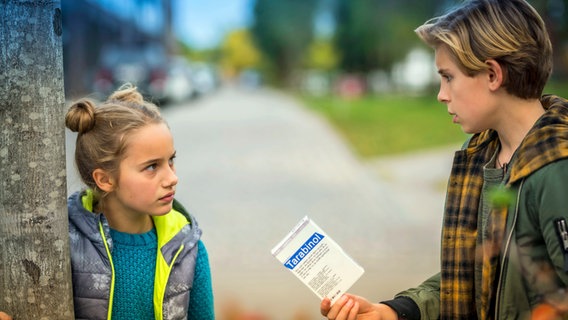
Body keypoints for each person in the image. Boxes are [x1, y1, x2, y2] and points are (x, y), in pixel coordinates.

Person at [321, 0, 568, 319]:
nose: (441, 94)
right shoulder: (484, 155)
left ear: (493, 74)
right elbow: (471, 281)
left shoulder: (555, 170)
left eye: (448, 77)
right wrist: (394, 312)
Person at [1, 84, 215, 319]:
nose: (172, 178)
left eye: (170, 160)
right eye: (152, 166)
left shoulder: (187, 249)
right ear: (105, 179)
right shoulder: (61, 245)